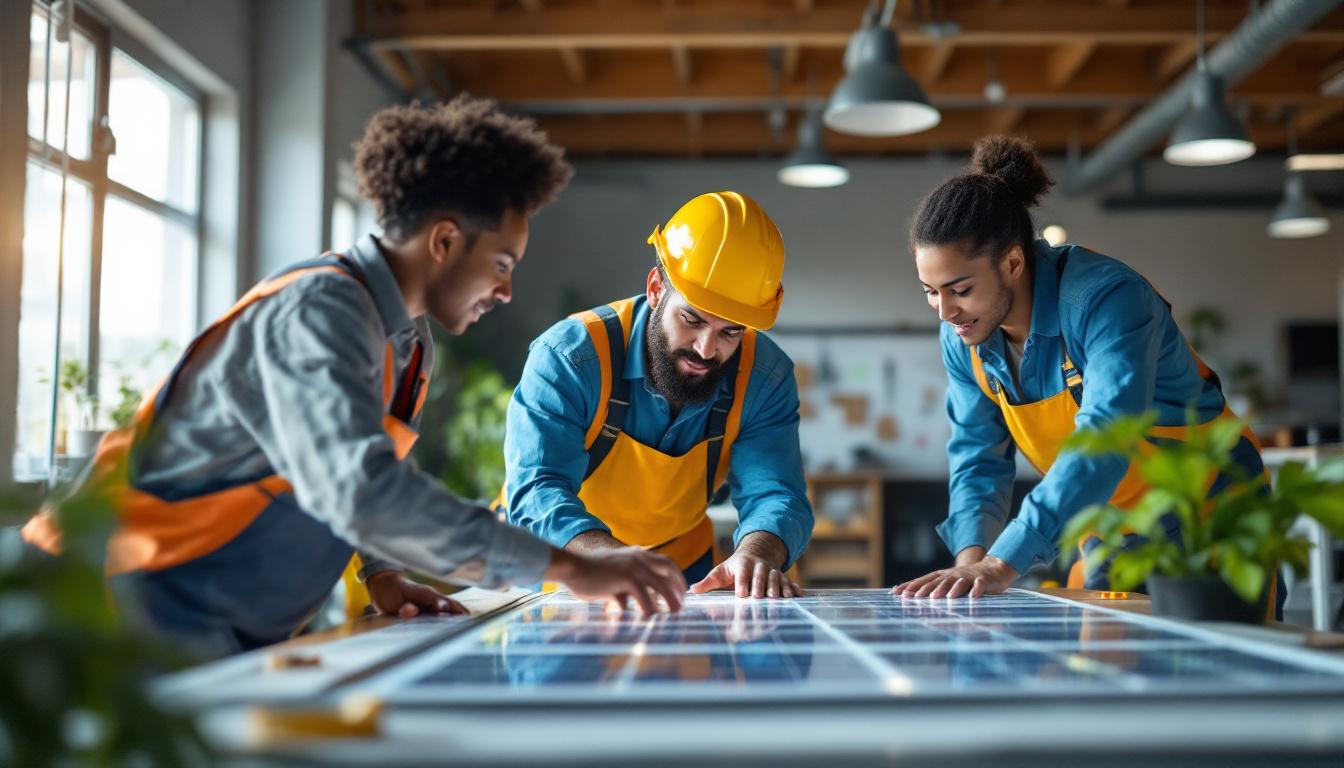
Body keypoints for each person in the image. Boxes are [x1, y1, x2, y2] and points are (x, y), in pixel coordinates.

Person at [22, 95, 686, 658]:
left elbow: (334, 468)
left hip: (208, 631)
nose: (506, 291)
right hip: (102, 612)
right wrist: (572, 566)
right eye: (504, 264)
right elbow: (361, 490)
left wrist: (383, 570)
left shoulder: (407, 340)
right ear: (445, 241)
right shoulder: (320, 312)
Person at [892, 137, 1275, 616]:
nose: (945, 311)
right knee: (1102, 675)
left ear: (1012, 262)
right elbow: (978, 456)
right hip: (1109, 524)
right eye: (931, 292)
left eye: (960, 289)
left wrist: (1002, 562)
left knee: (1235, 672)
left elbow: (1106, 437)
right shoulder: (963, 337)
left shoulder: (1107, 300)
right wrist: (971, 562)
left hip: (1209, 511)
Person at [499, 191, 814, 599]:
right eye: (691, 318)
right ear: (654, 289)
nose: (705, 349)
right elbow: (537, 486)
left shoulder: (763, 377)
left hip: (680, 565)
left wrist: (757, 554)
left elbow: (776, 493)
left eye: (730, 331)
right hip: (556, 560)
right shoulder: (571, 357)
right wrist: (610, 558)